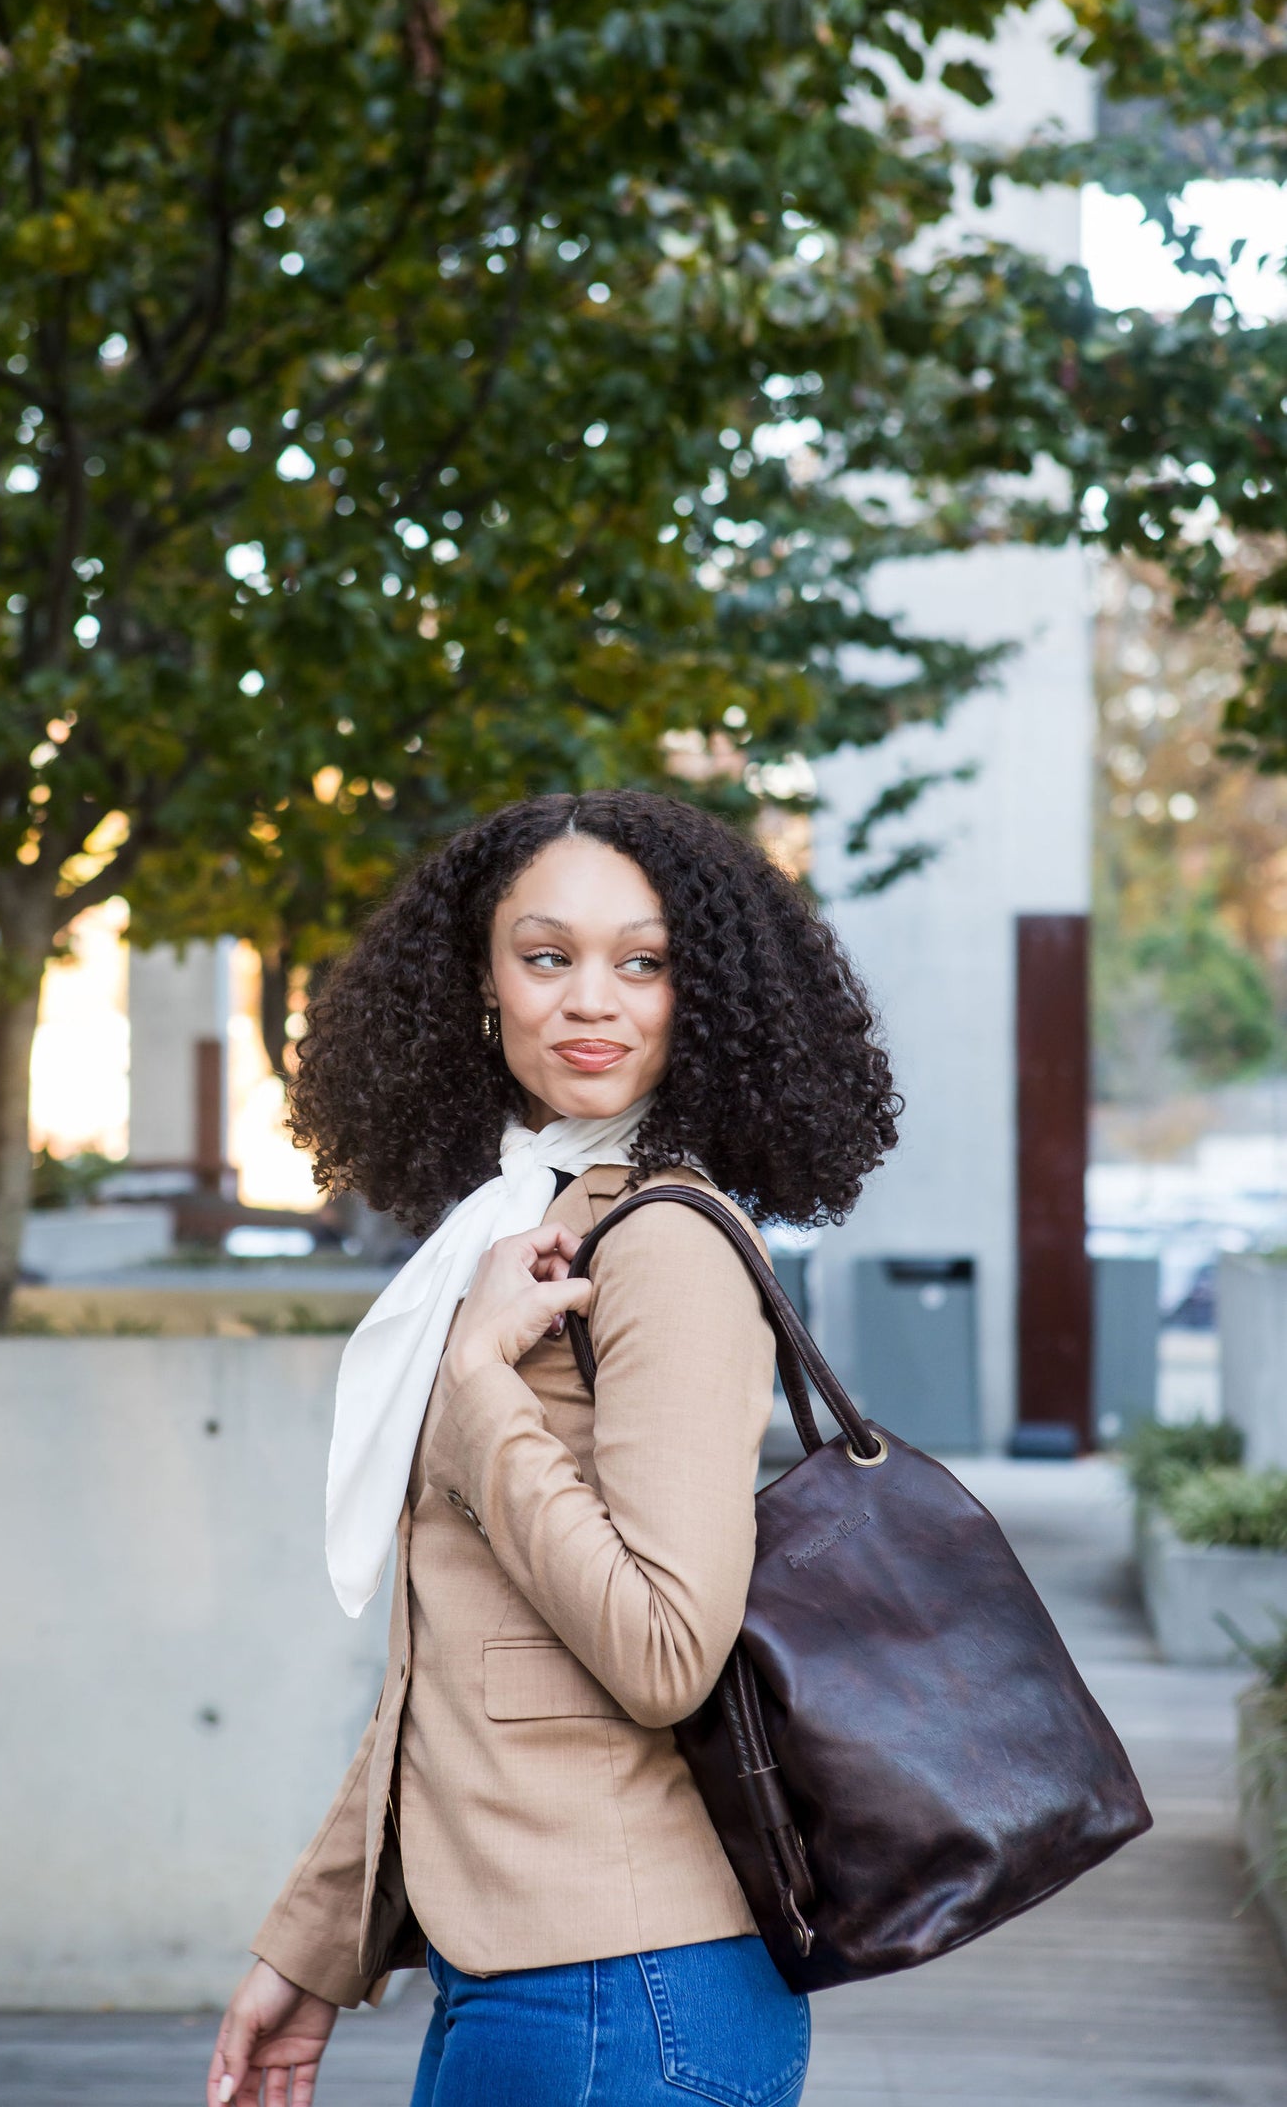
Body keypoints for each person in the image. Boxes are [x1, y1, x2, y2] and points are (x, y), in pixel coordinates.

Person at [206, 790, 898, 2107]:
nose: (594, 1000)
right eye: (546, 956)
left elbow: (661, 1651)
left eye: (643, 963)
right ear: (479, 987)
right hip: (530, 1969)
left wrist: (475, 1385)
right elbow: (460, 1665)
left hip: (618, 1988)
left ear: (700, 1000)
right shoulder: (515, 1227)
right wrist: (309, 1949)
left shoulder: (663, 1245)